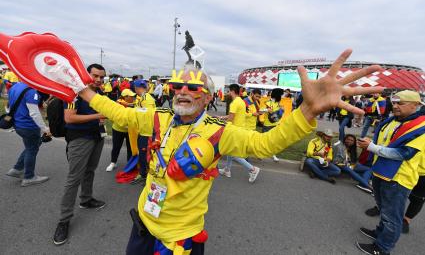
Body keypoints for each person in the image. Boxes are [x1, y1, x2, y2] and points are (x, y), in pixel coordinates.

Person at [51, 49, 380, 254]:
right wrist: (82, 89)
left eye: (193, 88)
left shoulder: (219, 132)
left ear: (207, 97)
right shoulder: (158, 118)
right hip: (144, 224)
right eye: (176, 86)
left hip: (180, 239)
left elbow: (265, 144)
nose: (182, 91)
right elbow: (118, 113)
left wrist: (307, 113)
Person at [356, 90, 425, 255]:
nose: (394, 106)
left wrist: (372, 147)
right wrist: (371, 144)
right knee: (383, 209)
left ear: (415, 105)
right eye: (393, 103)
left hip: (398, 178)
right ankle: (380, 233)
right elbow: (384, 142)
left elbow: (404, 153)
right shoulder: (392, 120)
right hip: (381, 172)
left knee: (392, 217)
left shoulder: (420, 127)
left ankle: (383, 248)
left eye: (400, 103)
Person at [53, 64, 107, 246]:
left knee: (90, 170)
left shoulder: (98, 94)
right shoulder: (74, 92)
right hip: (79, 139)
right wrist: (99, 114)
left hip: (96, 137)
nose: (98, 80)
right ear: (86, 74)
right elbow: (69, 117)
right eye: (95, 76)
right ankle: (64, 220)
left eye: (102, 77)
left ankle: (86, 199)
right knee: (73, 178)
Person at [5, 83, 50, 186]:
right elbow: (34, 113)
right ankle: (29, 177)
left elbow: (9, 105)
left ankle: (17, 169)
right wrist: (45, 129)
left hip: (17, 124)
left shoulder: (16, 86)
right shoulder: (32, 91)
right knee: (32, 149)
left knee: (31, 146)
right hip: (29, 126)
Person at [219, 84, 260, 183]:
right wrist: (221, 118)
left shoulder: (234, 103)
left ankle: (253, 169)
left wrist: (222, 126)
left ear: (232, 91)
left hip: (234, 131)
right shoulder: (241, 101)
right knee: (230, 150)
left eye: (228, 91)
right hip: (240, 130)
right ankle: (227, 170)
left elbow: (231, 119)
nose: (227, 93)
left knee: (234, 154)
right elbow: (234, 115)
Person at [132, 79, 156, 185]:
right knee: (143, 155)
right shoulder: (143, 97)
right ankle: (144, 174)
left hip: (147, 132)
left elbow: (148, 114)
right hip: (143, 131)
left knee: (145, 156)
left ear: (137, 88)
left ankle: (145, 176)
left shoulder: (147, 98)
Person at [106, 88, 136, 172]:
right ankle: (113, 163)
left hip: (130, 131)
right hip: (118, 129)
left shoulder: (134, 104)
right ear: (125, 97)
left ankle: (130, 165)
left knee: (130, 148)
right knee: (116, 147)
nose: (133, 98)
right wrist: (120, 124)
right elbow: (112, 117)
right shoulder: (117, 104)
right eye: (131, 96)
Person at [263, 88, 284, 162]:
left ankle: (273, 154)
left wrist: (281, 109)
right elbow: (260, 111)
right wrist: (266, 110)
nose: (282, 96)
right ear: (278, 95)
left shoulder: (279, 103)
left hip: (276, 124)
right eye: (281, 95)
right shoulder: (268, 102)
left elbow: (280, 114)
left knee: (274, 141)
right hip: (267, 125)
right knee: (264, 140)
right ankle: (260, 154)